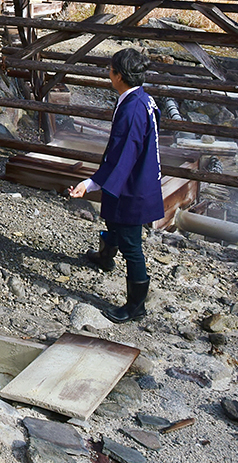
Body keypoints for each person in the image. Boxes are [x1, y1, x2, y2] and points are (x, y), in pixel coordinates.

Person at [70, 48, 163, 324]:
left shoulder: (133, 109)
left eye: (110, 69)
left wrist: (90, 183)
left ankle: (136, 305)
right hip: (135, 178)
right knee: (112, 219)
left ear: (118, 75)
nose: (108, 73)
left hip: (132, 186)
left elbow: (124, 155)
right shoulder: (141, 98)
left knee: (132, 245)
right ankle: (105, 257)